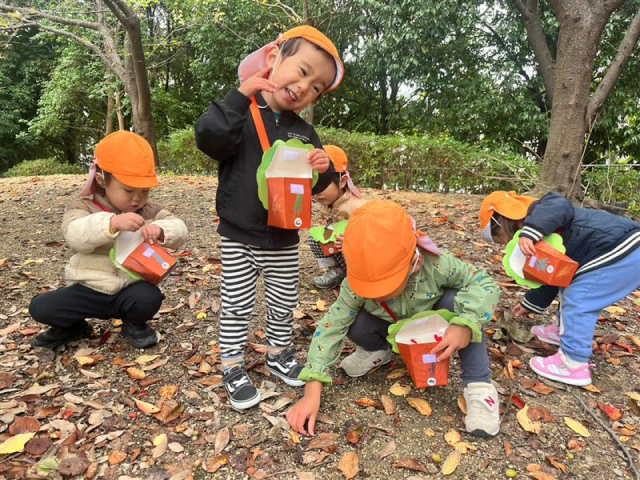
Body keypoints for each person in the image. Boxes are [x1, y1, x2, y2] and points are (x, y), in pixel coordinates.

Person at [195, 26, 344, 410]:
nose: (305, 87)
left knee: (283, 300)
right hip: (239, 235)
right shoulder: (240, 113)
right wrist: (241, 94)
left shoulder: (305, 132)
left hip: (282, 236)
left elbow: (321, 187)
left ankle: (278, 354)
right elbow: (209, 138)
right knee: (237, 303)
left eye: (317, 87)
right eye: (303, 70)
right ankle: (231, 365)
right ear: (275, 58)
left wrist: (324, 168)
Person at [287, 200, 502, 438]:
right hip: (390, 328)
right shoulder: (352, 285)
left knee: (456, 301)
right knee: (353, 319)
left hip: (434, 329)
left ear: (413, 261)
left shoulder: (438, 265)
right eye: (368, 286)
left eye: (384, 285)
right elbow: (332, 325)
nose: (376, 293)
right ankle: (377, 351)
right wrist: (312, 388)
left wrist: (465, 323)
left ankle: (479, 386)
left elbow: (484, 282)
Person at [29, 131, 188, 350]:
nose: (137, 198)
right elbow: (74, 235)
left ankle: (133, 323)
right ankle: (71, 326)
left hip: (130, 287)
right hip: (88, 286)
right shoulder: (83, 207)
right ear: (102, 179)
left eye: (145, 191)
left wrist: (160, 229)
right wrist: (110, 224)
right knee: (41, 308)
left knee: (149, 298)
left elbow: (180, 228)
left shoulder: (149, 210)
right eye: (129, 190)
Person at [479, 191, 640, 386]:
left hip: (622, 249)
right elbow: (551, 277)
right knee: (568, 285)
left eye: (502, 239)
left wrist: (530, 232)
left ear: (503, 221)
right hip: (615, 251)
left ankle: (573, 363)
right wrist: (530, 304)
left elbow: (559, 203)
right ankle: (565, 331)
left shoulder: (542, 210)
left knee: (579, 299)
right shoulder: (541, 236)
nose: (507, 244)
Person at [309, 145, 366, 289]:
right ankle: (336, 271)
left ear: (342, 181)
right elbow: (329, 225)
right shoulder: (326, 204)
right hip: (341, 249)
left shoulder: (356, 207)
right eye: (313, 185)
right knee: (316, 237)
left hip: (359, 255)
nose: (317, 192)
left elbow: (370, 237)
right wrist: (325, 231)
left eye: (324, 184)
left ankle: (358, 277)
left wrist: (350, 240)